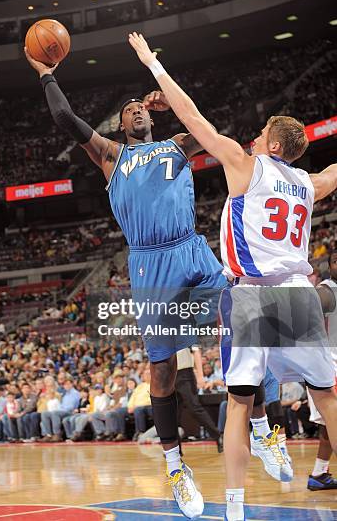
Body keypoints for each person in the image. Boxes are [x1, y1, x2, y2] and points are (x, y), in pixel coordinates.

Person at [128, 31, 337, 521]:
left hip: (254, 295)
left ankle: (236, 507)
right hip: (298, 293)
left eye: (263, 133)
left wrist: (152, 63)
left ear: (274, 144)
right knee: (327, 396)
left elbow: (192, 116)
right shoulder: (307, 183)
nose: (255, 137)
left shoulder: (246, 165)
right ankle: (270, 447)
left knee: (239, 403)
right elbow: (333, 173)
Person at [25, 41, 227, 519]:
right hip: (149, 264)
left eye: (142, 108)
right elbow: (65, 121)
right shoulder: (111, 155)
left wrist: (164, 91)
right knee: (160, 371)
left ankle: (261, 423)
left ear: (152, 117)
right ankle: (177, 468)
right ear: (121, 123)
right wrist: (45, 75)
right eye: (129, 109)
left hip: (190, 247)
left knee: (245, 309)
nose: (137, 111)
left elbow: (207, 128)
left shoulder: (176, 145)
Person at [306, 250, 337, 490]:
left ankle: (319, 474)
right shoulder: (325, 290)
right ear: (330, 266)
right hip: (329, 364)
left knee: (329, 424)